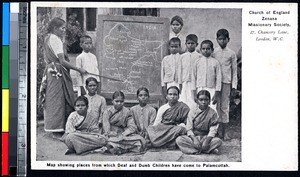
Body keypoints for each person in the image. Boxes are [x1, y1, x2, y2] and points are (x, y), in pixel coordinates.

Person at [39, 17, 87, 138]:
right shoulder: (56, 40)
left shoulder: (47, 38)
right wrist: (79, 69)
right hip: (57, 72)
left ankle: (56, 128)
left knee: (53, 99)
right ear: (55, 28)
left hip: (50, 71)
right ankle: (58, 130)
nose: (64, 30)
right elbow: (62, 62)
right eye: (62, 28)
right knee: (61, 99)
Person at [176, 90, 222, 154]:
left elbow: (213, 130)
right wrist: (195, 139)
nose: (203, 102)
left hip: (206, 137)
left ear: (209, 101)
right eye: (201, 100)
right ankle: (206, 150)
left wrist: (207, 141)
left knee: (218, 141)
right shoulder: (192, 111)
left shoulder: (213, 113)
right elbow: (189, 128)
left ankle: (196, 150)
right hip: (194, 137)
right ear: (197, 101)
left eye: (206, 100)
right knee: (179, 140)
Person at [212, 29, 238, 140]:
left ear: (228, 40)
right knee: (215, 106)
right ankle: (216, 130)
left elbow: (234, 71)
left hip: (226, 83)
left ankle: (225, 131)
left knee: (224, 106)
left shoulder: (231, 54)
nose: (222, 41)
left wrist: (234, 87)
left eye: (224, 39)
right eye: (220, 39)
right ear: (217, 40)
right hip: (214, 84)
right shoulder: (214, 52)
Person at [192, 40, 222, 112]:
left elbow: (218, 78)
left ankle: (212, 123)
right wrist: (194, 93)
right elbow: (193, 77)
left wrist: (217, 93)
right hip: (200, 88)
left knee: (212, 108)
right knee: (199, 108)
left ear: (212, 50)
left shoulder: (215, 62)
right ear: (200, 49)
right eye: (203, 49)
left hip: (211, 89)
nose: (205, 51)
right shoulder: (197, 62)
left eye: (208, 49)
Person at [180, 34, 202, 108]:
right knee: (184, 100)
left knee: (194, 101)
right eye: (188, 43)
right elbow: (180, 71)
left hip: (195, 83)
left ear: (197, 44)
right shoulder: (182, 57)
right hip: (185, 82)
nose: (190, 45)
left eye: (192, 43)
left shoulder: (199, 56)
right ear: (185, 44)